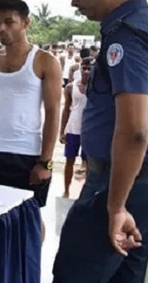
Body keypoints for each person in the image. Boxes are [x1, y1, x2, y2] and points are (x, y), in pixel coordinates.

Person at [53, 0, 148, 281]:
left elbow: (134, 131)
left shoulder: (127, 36)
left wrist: (115, 206)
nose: (74, 2)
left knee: (75, 274)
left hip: (120, 184)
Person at [0, 0, 62, 214]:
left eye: (9, 22)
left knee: (30, 218)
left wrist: (45, 162)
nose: (1, 28)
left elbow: (53, 111)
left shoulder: (44, 61)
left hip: (27, 153)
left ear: (25, 23)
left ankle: (31, 250)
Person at [59, 58, 93, 198]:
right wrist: (62, 131)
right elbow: (66, 109)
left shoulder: (97, 88)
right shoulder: (70, 87)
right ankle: (66, 190)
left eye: (89, 69)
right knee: (69, 161)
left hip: (89, 131)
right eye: (84, 68)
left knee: (90, 164)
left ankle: (86, 193)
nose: (86, 71)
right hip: (73, 128)